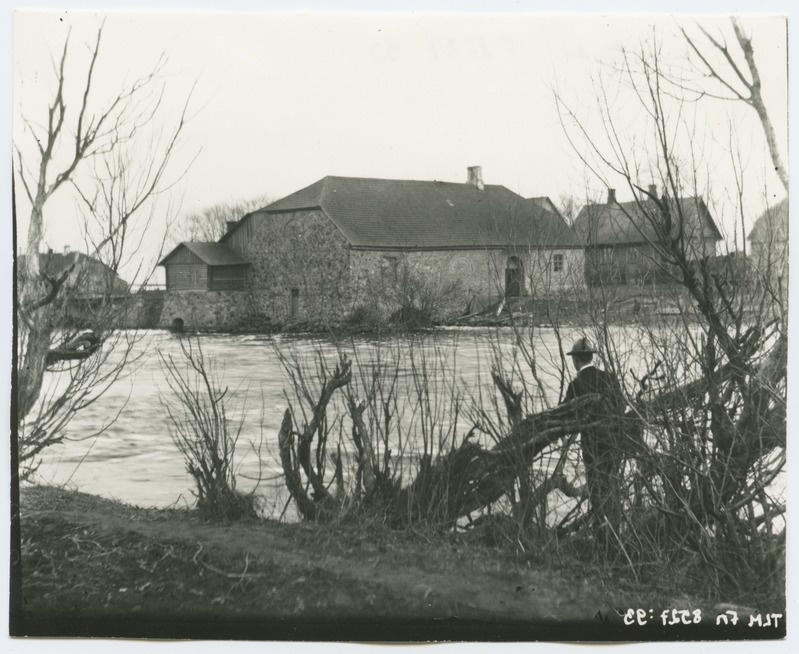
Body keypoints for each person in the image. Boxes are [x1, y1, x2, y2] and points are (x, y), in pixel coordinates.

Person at [562, 337, 626, 553]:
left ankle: (602, 539)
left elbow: (564, 417)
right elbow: (621, 407)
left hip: (591, 445)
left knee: (597, 489)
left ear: (576, 361)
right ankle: (614, 535)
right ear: (591, 357)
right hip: (615, 442)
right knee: (612, 487)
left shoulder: (576, 385)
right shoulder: (610, 378)